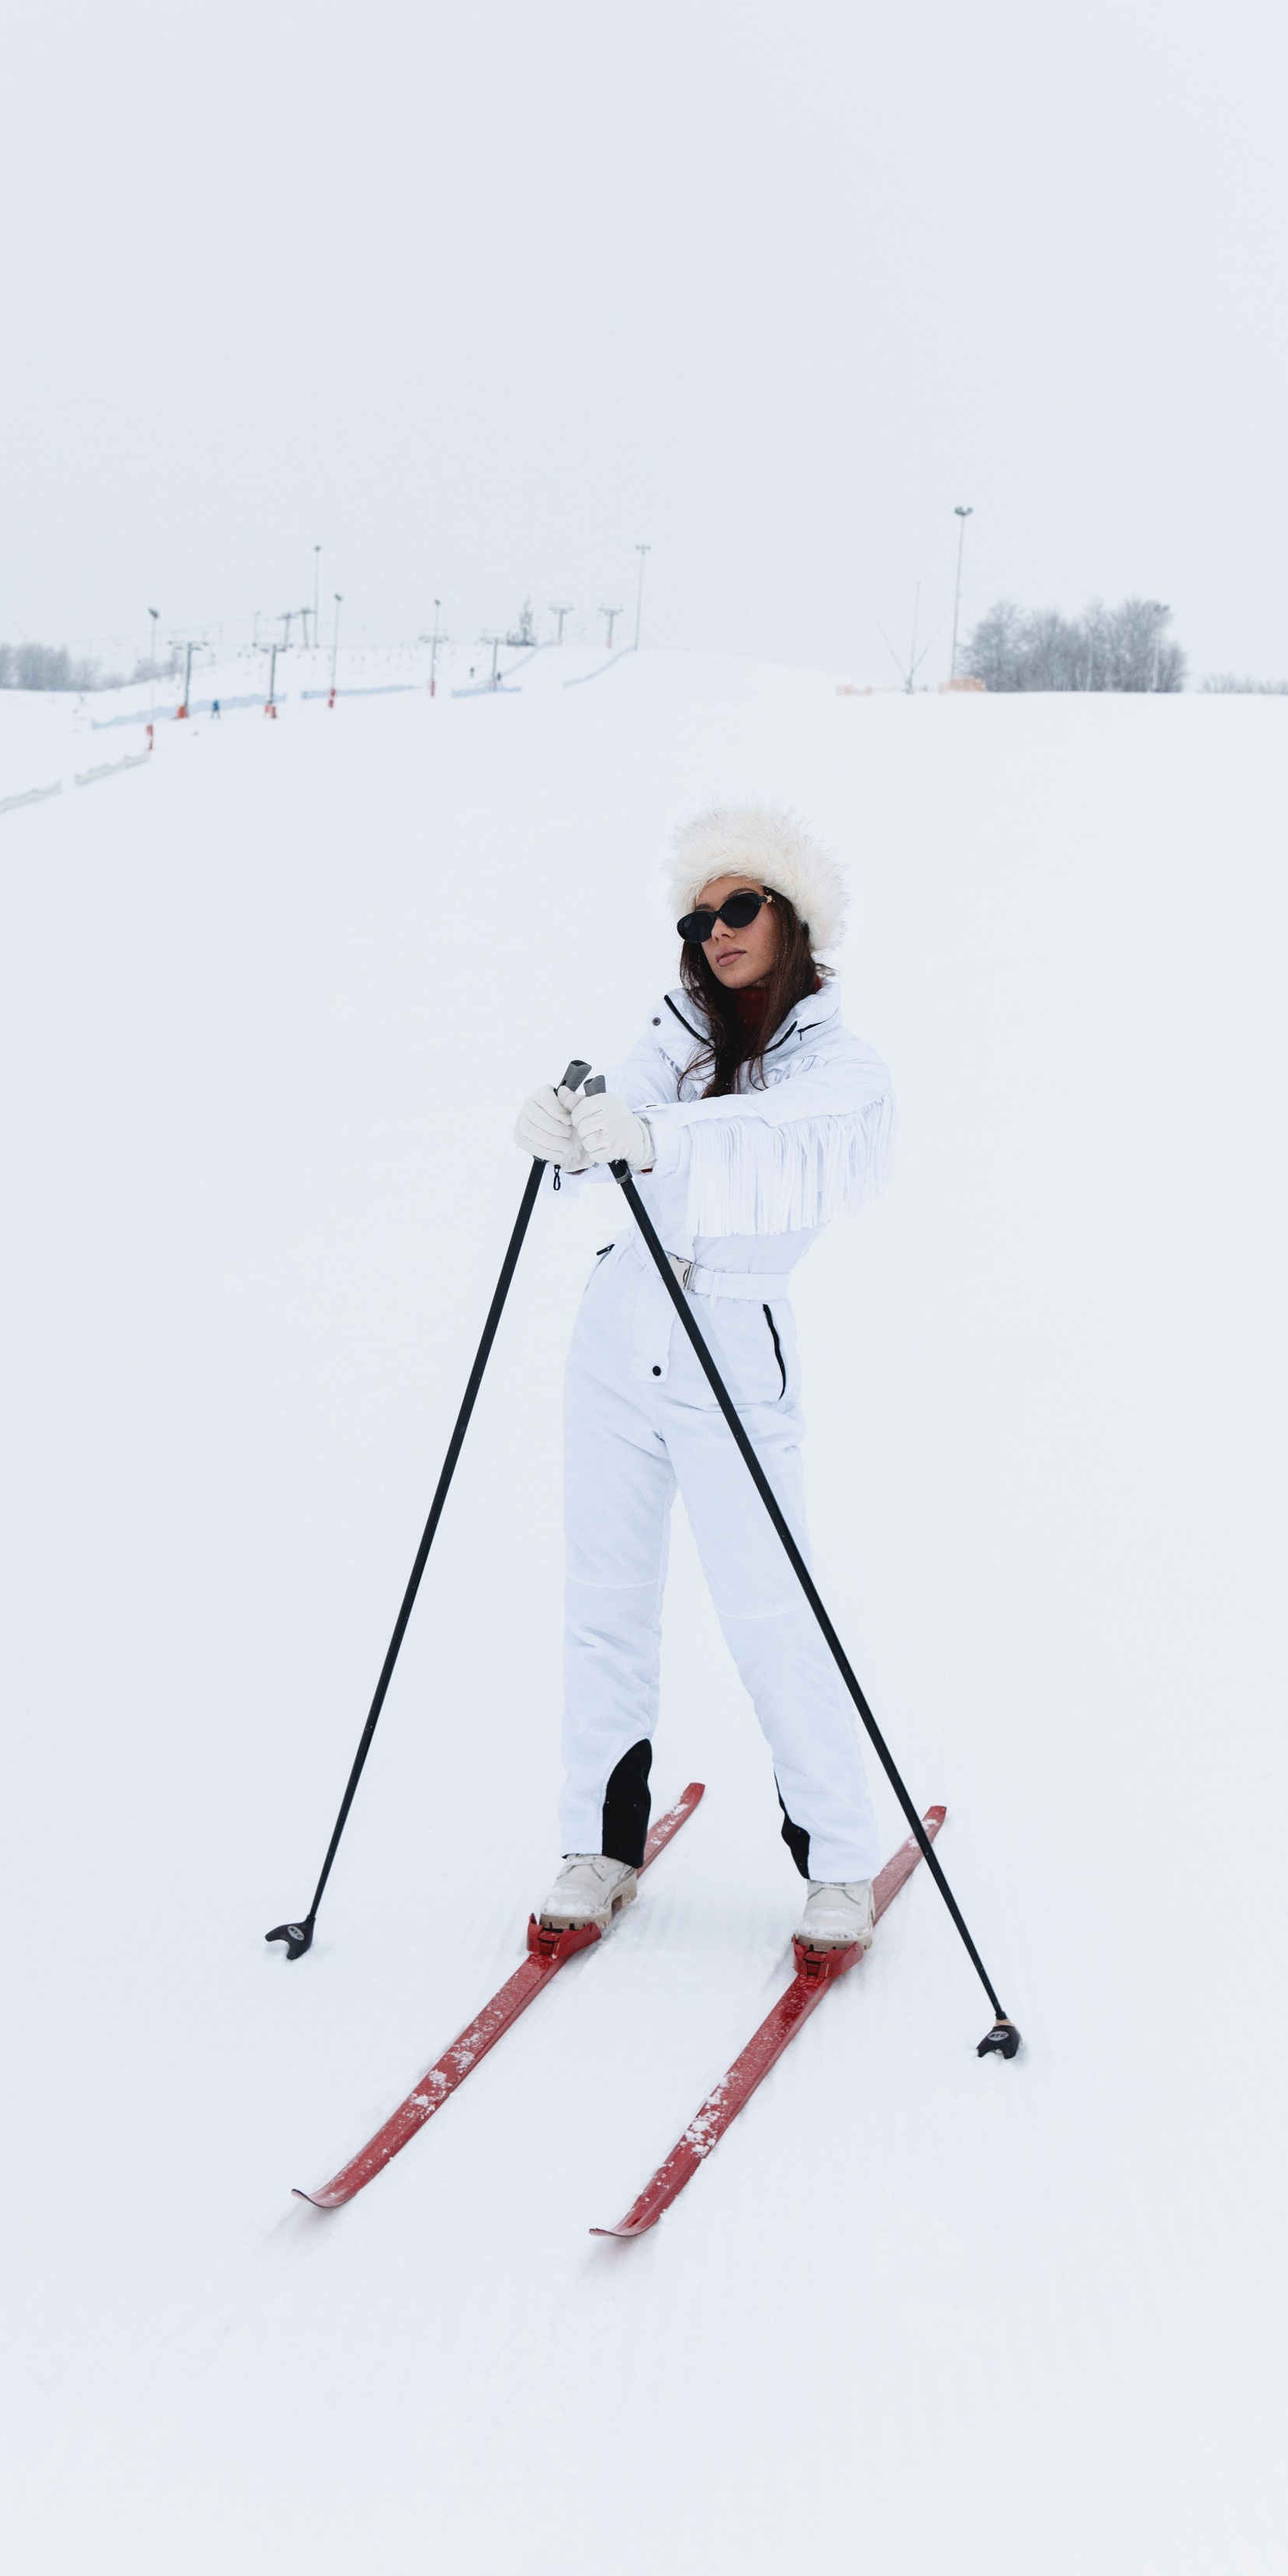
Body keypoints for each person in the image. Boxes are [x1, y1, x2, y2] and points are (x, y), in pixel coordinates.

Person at [513, 806, 894, 1956]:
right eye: (700, 914)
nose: (716, 929)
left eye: (740, 906)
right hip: (620, 1321)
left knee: (772, 1607)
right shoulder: (675, 1031)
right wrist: (567, 1130)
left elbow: (783, 1141)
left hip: (729, 1330)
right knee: (604, 1595)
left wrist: (653, 1138)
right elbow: (620, 1108)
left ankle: (836, 1862)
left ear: (791, 916)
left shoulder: (838, 1062)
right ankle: (599, 1839)